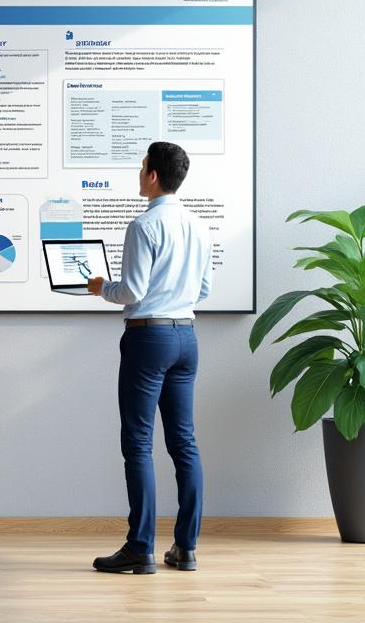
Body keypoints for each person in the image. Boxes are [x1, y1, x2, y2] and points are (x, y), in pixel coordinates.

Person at [88, 141, 212, 575]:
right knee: (184, 443)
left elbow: (132, 292)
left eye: (142, 167)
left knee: (139, 444)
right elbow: (204, 290)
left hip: (148, 338)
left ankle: (140, 548)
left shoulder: (143, 225)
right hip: (186, 337)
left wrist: (100, 287)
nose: (139, 173)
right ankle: (186, 549)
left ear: (153, 176)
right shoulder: (198, 225)